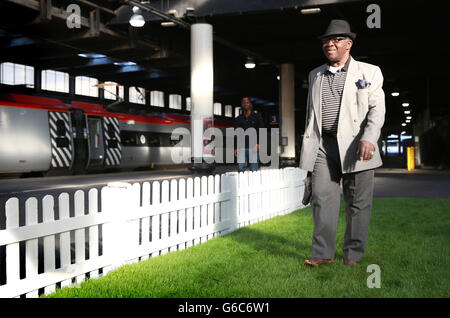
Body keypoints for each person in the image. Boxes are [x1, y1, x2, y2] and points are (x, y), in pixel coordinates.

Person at [299, 20, 386, 267]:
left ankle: (353, 256)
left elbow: (376, 109)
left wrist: (369, 137)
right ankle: (323, 253)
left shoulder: (369, 72)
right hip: (324, 146)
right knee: (321, 199)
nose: (330, 44)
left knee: (358, 203)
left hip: (357, 146)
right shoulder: (315, 74)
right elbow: (310, 115)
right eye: (326, 40)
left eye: (336, 39)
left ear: (349, 43)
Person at [234, 97, 265, 172]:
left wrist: (259, 144)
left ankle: (254, 183)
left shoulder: (257, 117)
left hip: (253, 147)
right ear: (242, 105)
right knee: (241, 169)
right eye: (244, 102)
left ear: (250, 104)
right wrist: (235, 147)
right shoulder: (238, 119)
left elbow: (262, 131)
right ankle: (241, 183)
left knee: (254, 170)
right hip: (241, 148)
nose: (245, 104)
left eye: (247, 102)